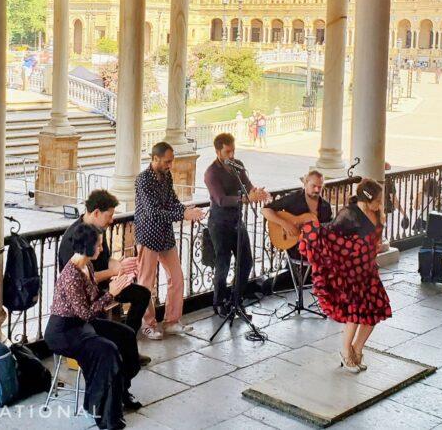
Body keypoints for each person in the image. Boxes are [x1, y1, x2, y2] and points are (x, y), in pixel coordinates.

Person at [45, 222, 141, 430]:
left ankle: (122, 389)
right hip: (65, 332)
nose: (101, 249)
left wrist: (119, 285)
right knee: (107, 351)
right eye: (98, 245)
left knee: (125, 335)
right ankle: (103, 413)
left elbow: (93, 300)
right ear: (87, 247)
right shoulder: (71, 276)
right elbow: (86, 314)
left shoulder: (86, 265)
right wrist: (112, 294)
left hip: (81, 325)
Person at [298, 178, 392, 373]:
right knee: (356, 313)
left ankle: (357, 350)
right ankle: (345, 352)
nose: (380, 203)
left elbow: (370, 241)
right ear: (367, 199)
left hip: (368, 270)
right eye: (378, 200)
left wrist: (378, 246)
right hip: (351, 272)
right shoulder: (349, 214)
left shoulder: (375, 212)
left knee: (374, 311)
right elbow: (330, 237)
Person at [135, 142, 205, 340]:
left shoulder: (167, 176)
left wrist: (187, 211)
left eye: (171, 161)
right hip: (148, 235)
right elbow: (153, 212)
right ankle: (147, 324)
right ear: (155, 158)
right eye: (167, 161)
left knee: (176, 277)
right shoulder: (143, 180)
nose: (170, 165)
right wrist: (184, 215)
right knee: (145, 284)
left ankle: (172, 321)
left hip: (165, 234)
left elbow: (173, 201)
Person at [58, 189, 150, 333]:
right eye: (109, 215)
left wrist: (120, 265)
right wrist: (113, 272)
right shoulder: (73, 238)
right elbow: (81, 279)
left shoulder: (99, 230)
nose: (112, 220)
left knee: (142, 294)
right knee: (102, 323)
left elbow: (105, 257)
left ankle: (128, 338)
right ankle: (119, 341)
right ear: (96, 213)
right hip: (85, 296)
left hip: (103, 286)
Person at [203, 133, 269, 315]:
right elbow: (221, 199)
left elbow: (247, 185)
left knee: (246, 261)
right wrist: (247, 199)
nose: (231, 155)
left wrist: (256, 192)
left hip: (236, 221)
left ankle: (236, 299)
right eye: (227, 151)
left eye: (233, 150)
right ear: (218, 151)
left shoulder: (238, 165)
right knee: (222, 264)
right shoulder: (211, 173)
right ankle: (219, 302)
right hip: (219, 224)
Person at [263, 169, 334, 262]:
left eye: (319, 187)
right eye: (314, 186)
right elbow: (265, 210)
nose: (317, 190)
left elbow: (328, 230)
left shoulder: (325, 206)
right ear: (305, 184)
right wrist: (284, 224)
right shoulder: (293, 199)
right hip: (294, 247)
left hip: (317, 249)